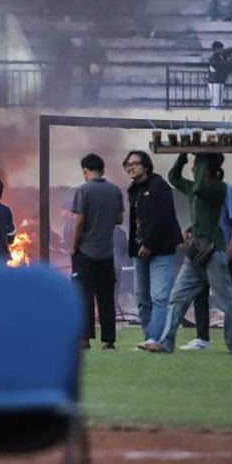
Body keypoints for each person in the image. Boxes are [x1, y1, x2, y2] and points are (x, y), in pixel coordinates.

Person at [143, 154, 232, 355]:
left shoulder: (219, 188)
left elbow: (200, 188)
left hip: (214, 251)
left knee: (226, 301)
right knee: (177, 297)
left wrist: (201, 158)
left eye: (197, 166)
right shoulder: (195, 187)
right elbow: (173, 177)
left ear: (206, 168)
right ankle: (166, 342)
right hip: (197, 251)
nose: (193, 169)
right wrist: (182, 156)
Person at [186, 171, 232, 351]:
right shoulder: (201, 192)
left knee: (230, 293)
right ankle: (202, 338)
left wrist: (231, 246)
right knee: (200, 293)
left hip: (220, 251)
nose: (196, 171)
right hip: (202, 251)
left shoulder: (228, 190)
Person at [122, 151, 182, 347]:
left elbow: (163, 218)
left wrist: (148, 243)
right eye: (127, 164)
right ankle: (150, 338)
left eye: (135, 163)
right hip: (140, 253)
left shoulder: (159, 186)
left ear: (146, 166)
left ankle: (158, 339)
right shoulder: (134, 190)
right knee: (142, 297)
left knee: (159, 297)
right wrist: (135, 247)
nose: (130, 167)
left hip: (161, 251)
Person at [70, 154, 124, 350]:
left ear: (85, 171)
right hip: (106, 252)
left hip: (85, 252)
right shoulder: (115, 190)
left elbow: (79, 221)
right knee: (106, 296)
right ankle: (109, 340)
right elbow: (119, 219)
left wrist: (73, 246)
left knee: (83, 295)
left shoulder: (83, 190)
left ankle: (84, 339)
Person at [78, 37, 106, 106]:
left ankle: (92, 102)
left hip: (95, 68)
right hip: (87, 68)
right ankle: (86, 102)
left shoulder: (99, 48)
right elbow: (80, 58)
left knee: (94, 86)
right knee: (87, 86)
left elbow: (104, 59)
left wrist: (100, 67)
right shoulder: (84, 48)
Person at [208, 41, 230, 109]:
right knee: (216, 100)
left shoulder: (221, 57)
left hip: (220, 80)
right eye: (220, 49)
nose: (221, 50)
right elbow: (219, 67)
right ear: (215, 49)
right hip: (214, 81)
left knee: (220, 101)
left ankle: (218, 112)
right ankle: (214, 114)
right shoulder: (213, 58)